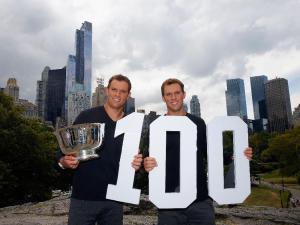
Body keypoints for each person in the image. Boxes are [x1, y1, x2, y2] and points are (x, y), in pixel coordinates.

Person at [143, 78, 253, 225]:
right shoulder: (157, 126)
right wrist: (146, 163)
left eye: (177, 93)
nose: (173, 97)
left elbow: (211, 152)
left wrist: (238, 155)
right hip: (169, 202)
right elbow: (148, 157)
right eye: (168, 94)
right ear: (163, 98)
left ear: (184, 94)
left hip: (199, 202)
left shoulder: (198, 123)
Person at [56, 74, 143, 225]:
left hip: (114, 202)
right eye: (114, 89)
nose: (118, 94)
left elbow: (134, 162)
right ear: (107, 90)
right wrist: (64, 161)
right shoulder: (87, 116)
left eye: (123, 91)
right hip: (83, 198)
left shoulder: (132, 125)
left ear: (128, 95)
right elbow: (62, 151)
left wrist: (137, 165)